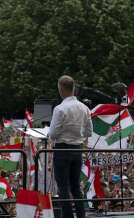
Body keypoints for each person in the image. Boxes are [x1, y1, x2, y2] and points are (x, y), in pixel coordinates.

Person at [49, 75, 93, 218]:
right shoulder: (85, 108)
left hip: (62, 149)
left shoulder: (60, 109)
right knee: (75, 187)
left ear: (61, 90)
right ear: (73, 88)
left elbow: (53, 134)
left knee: (63, 187)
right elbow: (89, 132)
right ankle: (81, 216)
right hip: (77, 149)